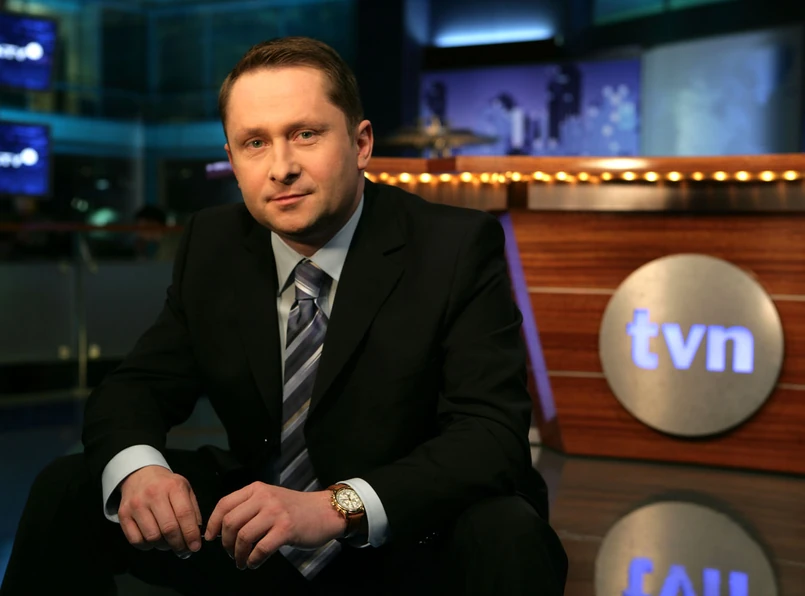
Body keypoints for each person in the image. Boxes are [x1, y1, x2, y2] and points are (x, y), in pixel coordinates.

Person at [1, 37, 567, 595]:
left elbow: (490, 435)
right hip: (259, 529)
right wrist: (141, 471)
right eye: (255, 143)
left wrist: (336, 507)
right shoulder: (215, 244)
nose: (282, 167)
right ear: (231, 161)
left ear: (361, 143)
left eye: (305, 134)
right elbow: (136, 388)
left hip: (406, 530)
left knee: (507, 532)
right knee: (70, 487)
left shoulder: (454, 246)